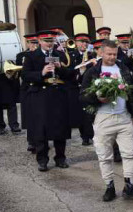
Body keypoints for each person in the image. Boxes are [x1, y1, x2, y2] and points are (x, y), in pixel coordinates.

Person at [81, 40, 133, 202]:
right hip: (103, 117)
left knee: (129, 151)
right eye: (109, 54)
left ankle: (128, 185)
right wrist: (97, 98)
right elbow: (82, 96)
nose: (112, 57)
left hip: (123, 116)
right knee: (104, 155)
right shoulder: (92, 71)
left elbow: (131, 92)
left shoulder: (123, 68)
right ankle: (109, 186)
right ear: (101, 53)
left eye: (114, 54)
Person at [21, 30, 76, 171]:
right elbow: (25, 75)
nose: (49, 44)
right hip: (41, 95)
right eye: (46, 41)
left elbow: (71, 74)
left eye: (51, 41)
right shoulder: (32, 56)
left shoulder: (60, 55)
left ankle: (60, 158)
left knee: (60, 127)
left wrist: (61, 69)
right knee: (41, 128)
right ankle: (42, 160)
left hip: (58, 94)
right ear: (39, 41)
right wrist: (41, 73)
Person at [69, 34, 95, 145]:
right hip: (76, 87)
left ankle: (92, 134)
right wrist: (80, 72)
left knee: (90, 112)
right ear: (76, 43)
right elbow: (69, 72)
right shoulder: (71, 56)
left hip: (89, 87)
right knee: (80, 113)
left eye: (86, 42)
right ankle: (84, 136)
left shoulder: (92, 56)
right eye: (81, 42)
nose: (84, 44)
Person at [16, 33, 38, 152]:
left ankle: (41, 139)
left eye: (35, 43)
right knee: (29, 115)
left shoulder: (40, 55)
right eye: (31, 43)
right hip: (26, 88)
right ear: (27, 43)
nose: (33, 45)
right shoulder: (21, 55)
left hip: (38, 87)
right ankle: (31, 141)